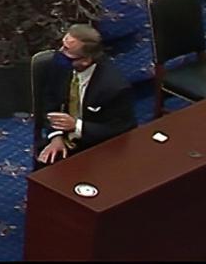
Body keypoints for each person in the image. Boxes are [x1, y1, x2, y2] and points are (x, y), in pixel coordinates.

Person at [35, 24, 136, 167]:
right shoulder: (60, 64)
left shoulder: (114, 87)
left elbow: (121, 129)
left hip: (96, 143)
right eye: (62, 46)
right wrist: (55, 136)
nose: (60, 54)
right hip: (60, 134)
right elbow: (49, 100)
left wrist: (76, 126)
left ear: (86, 60)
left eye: (67, 52)